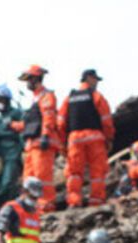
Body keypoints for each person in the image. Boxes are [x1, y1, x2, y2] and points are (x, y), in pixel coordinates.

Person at [59, 69, 115, 207]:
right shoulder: (96, 96)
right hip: (95, 137)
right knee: (97, 171)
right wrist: (109, 139)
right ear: (88, 78)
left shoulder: (69, 98)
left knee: (74, 172)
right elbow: (106, 120)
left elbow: (60, 123)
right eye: (95, 79)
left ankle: (74, 201)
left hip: (75, 138)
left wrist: (63, 143)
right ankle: (96, 201)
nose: (97, 83)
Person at [18, 65, 61, 213]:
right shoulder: (35, 99)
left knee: (42, 177)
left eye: (29, 79)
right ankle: (30, 207)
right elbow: (29, 123)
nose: (27, 83)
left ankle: (46, 206)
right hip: (31, 145)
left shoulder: (46, 96)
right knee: (28, 178)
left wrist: (45, 136)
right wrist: (12, 125)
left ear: (36, 78)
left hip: (42, 143)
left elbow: (49, 117)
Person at [0, 85, 25, 208]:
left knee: (7, 183)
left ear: (6, 100)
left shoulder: (16, 113)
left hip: (12, 154)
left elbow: (23, 129)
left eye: (0, 100)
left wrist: (23, 150)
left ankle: (11, 208)